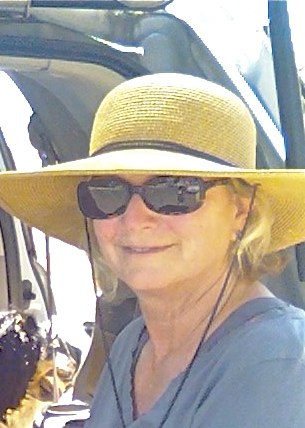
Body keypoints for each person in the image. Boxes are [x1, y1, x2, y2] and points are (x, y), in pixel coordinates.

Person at [0, 73, 304, 428]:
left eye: (174, 191)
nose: (135, 218)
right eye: (109, 191)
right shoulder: (134, 342)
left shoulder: (281, 363)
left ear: (241, 210)